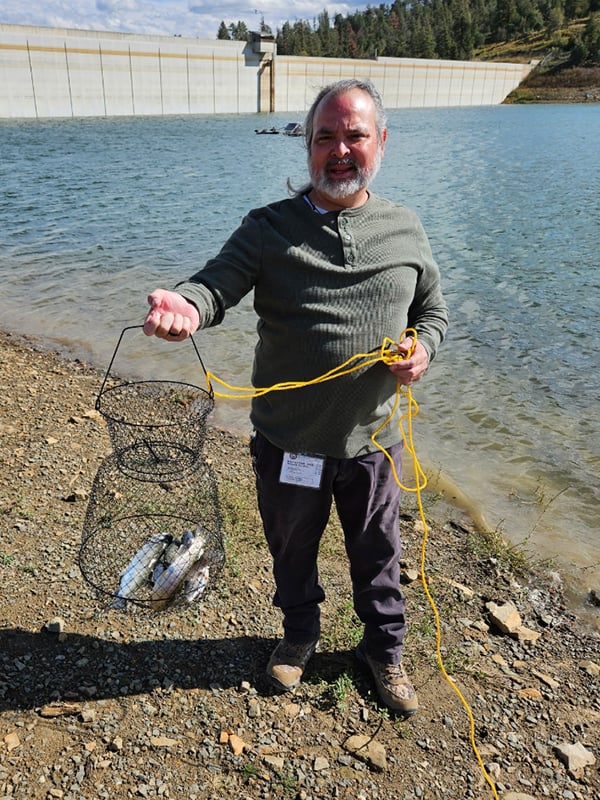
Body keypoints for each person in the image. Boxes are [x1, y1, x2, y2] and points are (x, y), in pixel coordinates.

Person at [143, 78, 448, 716]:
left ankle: (383, 650)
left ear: (381, 143)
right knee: (292, 549)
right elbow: (215, 285)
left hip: (374, 444)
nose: (340, 150)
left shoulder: (406, 228)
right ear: (306, 147)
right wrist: (187, 306)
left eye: (355, 135)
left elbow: (432, 311)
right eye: (325, 137)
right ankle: (300, 634)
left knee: (380, 554)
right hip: (287, 443)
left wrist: (423, 348)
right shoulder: (267, 229)